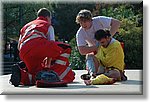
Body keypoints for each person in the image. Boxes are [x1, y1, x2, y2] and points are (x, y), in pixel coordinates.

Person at [9, 8, 75, 87]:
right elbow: (52, 45)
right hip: (38, 46)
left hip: (24, 52)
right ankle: (55, 75)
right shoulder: (47, 24)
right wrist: (50, 64)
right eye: (50, 19)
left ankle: (22, 76)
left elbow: (19, 46)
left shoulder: (26, 26)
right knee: (66, 48)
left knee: (36, 74)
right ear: (47, 17)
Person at [75, 9, 121, 77]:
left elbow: (116, 23)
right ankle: (92, 74)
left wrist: (107, 37)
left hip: (109, 48)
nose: (83, 24)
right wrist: (98, 46)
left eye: (85, 21)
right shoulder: (80, 33)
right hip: (98, 53)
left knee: (116, 72)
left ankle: (112, 72)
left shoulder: (99, 20)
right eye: (80, 22)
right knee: (89, 56)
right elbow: (82, 51)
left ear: (91, 20)